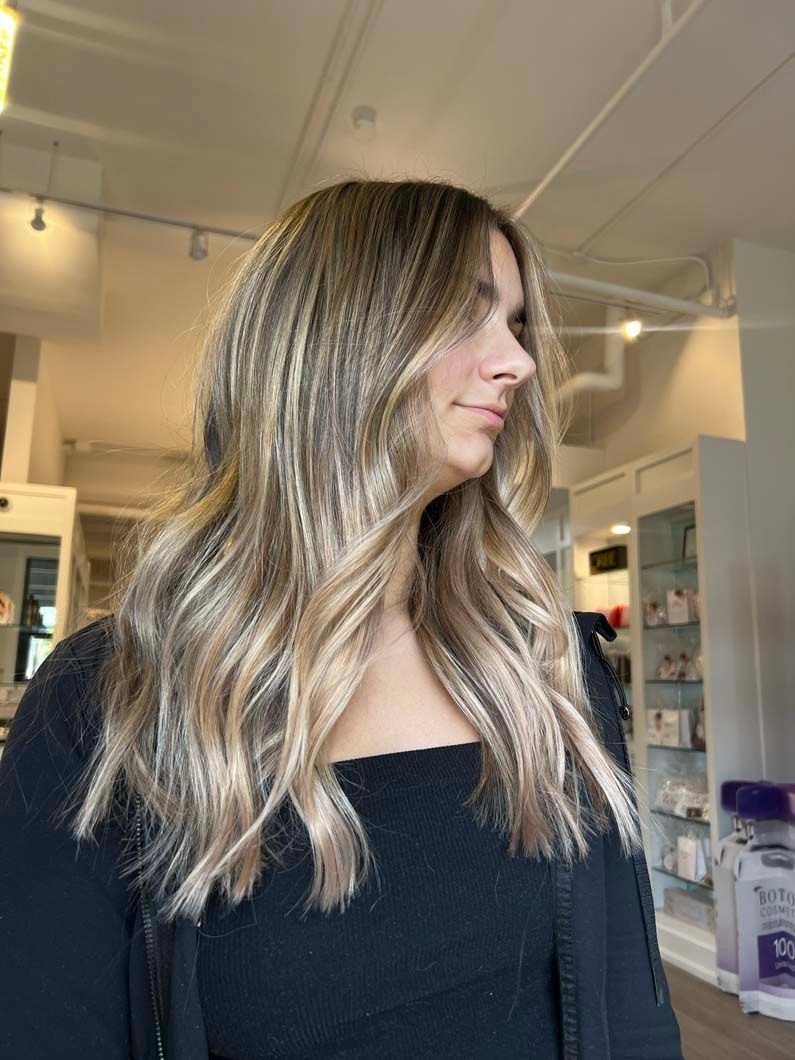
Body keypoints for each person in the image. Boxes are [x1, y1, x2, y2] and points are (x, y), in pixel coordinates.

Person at [0, 178, 684, 1059]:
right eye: (467, 313)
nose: (516, 361)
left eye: (515, 324)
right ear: (336, 340)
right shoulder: (109, 700)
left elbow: (630, 1005)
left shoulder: (545, 665)